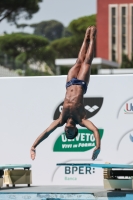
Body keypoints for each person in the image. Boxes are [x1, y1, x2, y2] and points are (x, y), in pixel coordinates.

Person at [30, 26, 101, 161]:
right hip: (81, 83)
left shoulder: (61, 120)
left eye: (66, 133)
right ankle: (92, 38)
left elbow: (46, 132)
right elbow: (95, 131)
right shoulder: (81, 120)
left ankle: (85, 37)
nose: (67, 131)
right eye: (70, 134)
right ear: (76, 131)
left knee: (78, 61)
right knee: (86, 62)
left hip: (69, 83)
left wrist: (34, 146)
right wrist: (98, 146)